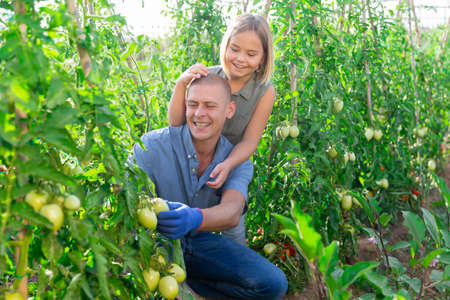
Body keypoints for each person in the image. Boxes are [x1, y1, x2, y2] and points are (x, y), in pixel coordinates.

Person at [133, 74, 287, 299]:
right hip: (155, 246)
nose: (199, 113)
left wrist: (194, 218)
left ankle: (194, 289)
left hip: (197, 244)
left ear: (229, 110)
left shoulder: (235, 159)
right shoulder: (151, 147)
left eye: (210, 106)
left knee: (273, 284)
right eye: (193, 104)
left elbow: (232, 211)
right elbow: (127, 208)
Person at [168, 13, 275, 190]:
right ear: (225, 47)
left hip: (230, 160)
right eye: (234, 49)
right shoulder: (206, 76)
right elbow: (175, 123)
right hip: (191, 158)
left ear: (262, 58)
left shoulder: (264, 91)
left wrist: (228, 164)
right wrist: (181, 84)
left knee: (227, 211)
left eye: (251, 54)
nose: (240, 59)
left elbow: (249, 141)